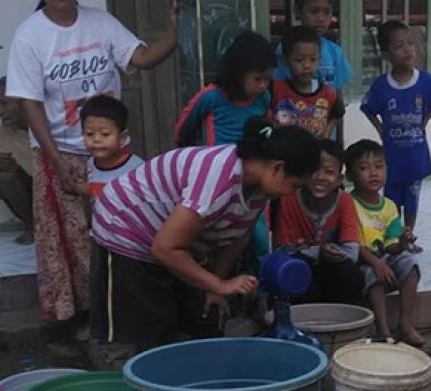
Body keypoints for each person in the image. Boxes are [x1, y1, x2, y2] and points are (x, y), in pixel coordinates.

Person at [6, 0, 178, 324]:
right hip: (59, 150)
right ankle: (84, 315)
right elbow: (31, 104)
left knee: (119, 229)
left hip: (108, 151)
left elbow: (141, 58)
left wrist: (173, 31)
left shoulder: (101, 22)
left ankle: (115, 307)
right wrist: (55, 160)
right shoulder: (30, 35)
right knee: (71, 238)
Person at [90, 119, 321, 351]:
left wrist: (214, 286)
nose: (294, 194)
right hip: (126, 226)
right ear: (277, 168)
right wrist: (219, 284)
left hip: (172, 239)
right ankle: (128, 372)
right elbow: (165, 248)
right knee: (145, 327)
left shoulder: (259, 185)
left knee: (195, 316)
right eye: (295, 185)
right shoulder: (217, 178)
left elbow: (237, 236)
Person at [360, 20, 431, 247]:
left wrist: (426, 118)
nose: (407, 50)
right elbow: (367, 108)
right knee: (392, 201)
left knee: (412, 199)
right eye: (399, 46)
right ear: (386, 55)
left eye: (410, 43)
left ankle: (408, 237)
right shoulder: (382, 86)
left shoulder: (425, 81)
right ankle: (394, 238)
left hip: (416, 155)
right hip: (391, 157)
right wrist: (381, 130)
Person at [82, 95, 144, 358]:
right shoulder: (90, 166)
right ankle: (107, 335)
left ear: (123, 135)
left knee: (126, 290)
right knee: (101, 287)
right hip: (101, 238)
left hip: (130, 242)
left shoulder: (136, 168)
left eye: (105, 134)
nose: (96, 140)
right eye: (89, 133)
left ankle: (123, 338)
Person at [345, 139, 423, 347]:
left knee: (410, 263)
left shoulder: (389, 206)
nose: (373, 173)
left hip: (383, 257)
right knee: (372, 275)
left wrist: (402, 241)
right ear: (350, 176)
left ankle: (406, 325)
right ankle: (383, 330)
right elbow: (353, 243)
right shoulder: (348, 204)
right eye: (364, 168)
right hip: (361, 259)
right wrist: (376, 263)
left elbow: (390, 246)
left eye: (379, 167)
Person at [272, 138, 363, 305]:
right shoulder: (289, 199)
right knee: (296, 272)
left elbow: (352, 251)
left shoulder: (344, 200)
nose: (320, 177)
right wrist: (318, 252)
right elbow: (281, 251)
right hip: (301, 269)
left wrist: (333, 253)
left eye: (329, 172)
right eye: (314, 170)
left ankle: (344, 323)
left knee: (350, 273)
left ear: (339, 179)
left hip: (330, 269)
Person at [176, 31, 274, 146]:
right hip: (216, 159)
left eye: (267, 79)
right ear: (238, 73)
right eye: (257, 79)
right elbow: (184, 128)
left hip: (250, 158)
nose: (263, 85)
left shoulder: (264, 97)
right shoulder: (211, 96)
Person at [271, 26, 345, 139]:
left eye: (313, 59)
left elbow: (338, 112)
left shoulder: (327, 93)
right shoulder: (276, 89)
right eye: (299, 60)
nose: (307, 66)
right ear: (286, 61)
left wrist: (327, 132)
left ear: (319, 59)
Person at [0, 76, 36, 245]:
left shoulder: (51, 125)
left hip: (59, 190)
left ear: (24, 102)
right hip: (32, 196)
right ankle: (33, 226)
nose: (0, 111)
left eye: (5, 103)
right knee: (4, 174)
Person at [274, 0, 354, 93]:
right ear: (298, 11)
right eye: (314, 11)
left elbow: (337, 92)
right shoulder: (285, 48)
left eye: (327, 12)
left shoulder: (335, 52)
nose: (321, 19)